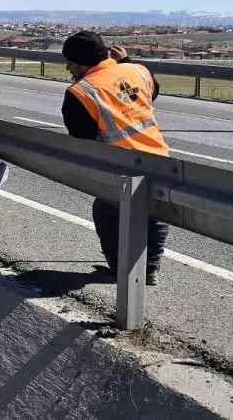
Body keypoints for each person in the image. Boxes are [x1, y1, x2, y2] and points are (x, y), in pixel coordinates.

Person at [60, 31, 170, 285]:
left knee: (107, 211)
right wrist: (124, 63)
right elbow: (150, 94)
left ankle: (122, 269)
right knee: (155, 211)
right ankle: (150, 268)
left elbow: (82, 138)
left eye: (71, 62)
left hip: (119, 163)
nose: (68, 67)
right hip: (159, 155)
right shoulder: (137, 70)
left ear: (81, 63)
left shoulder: (80, 92)